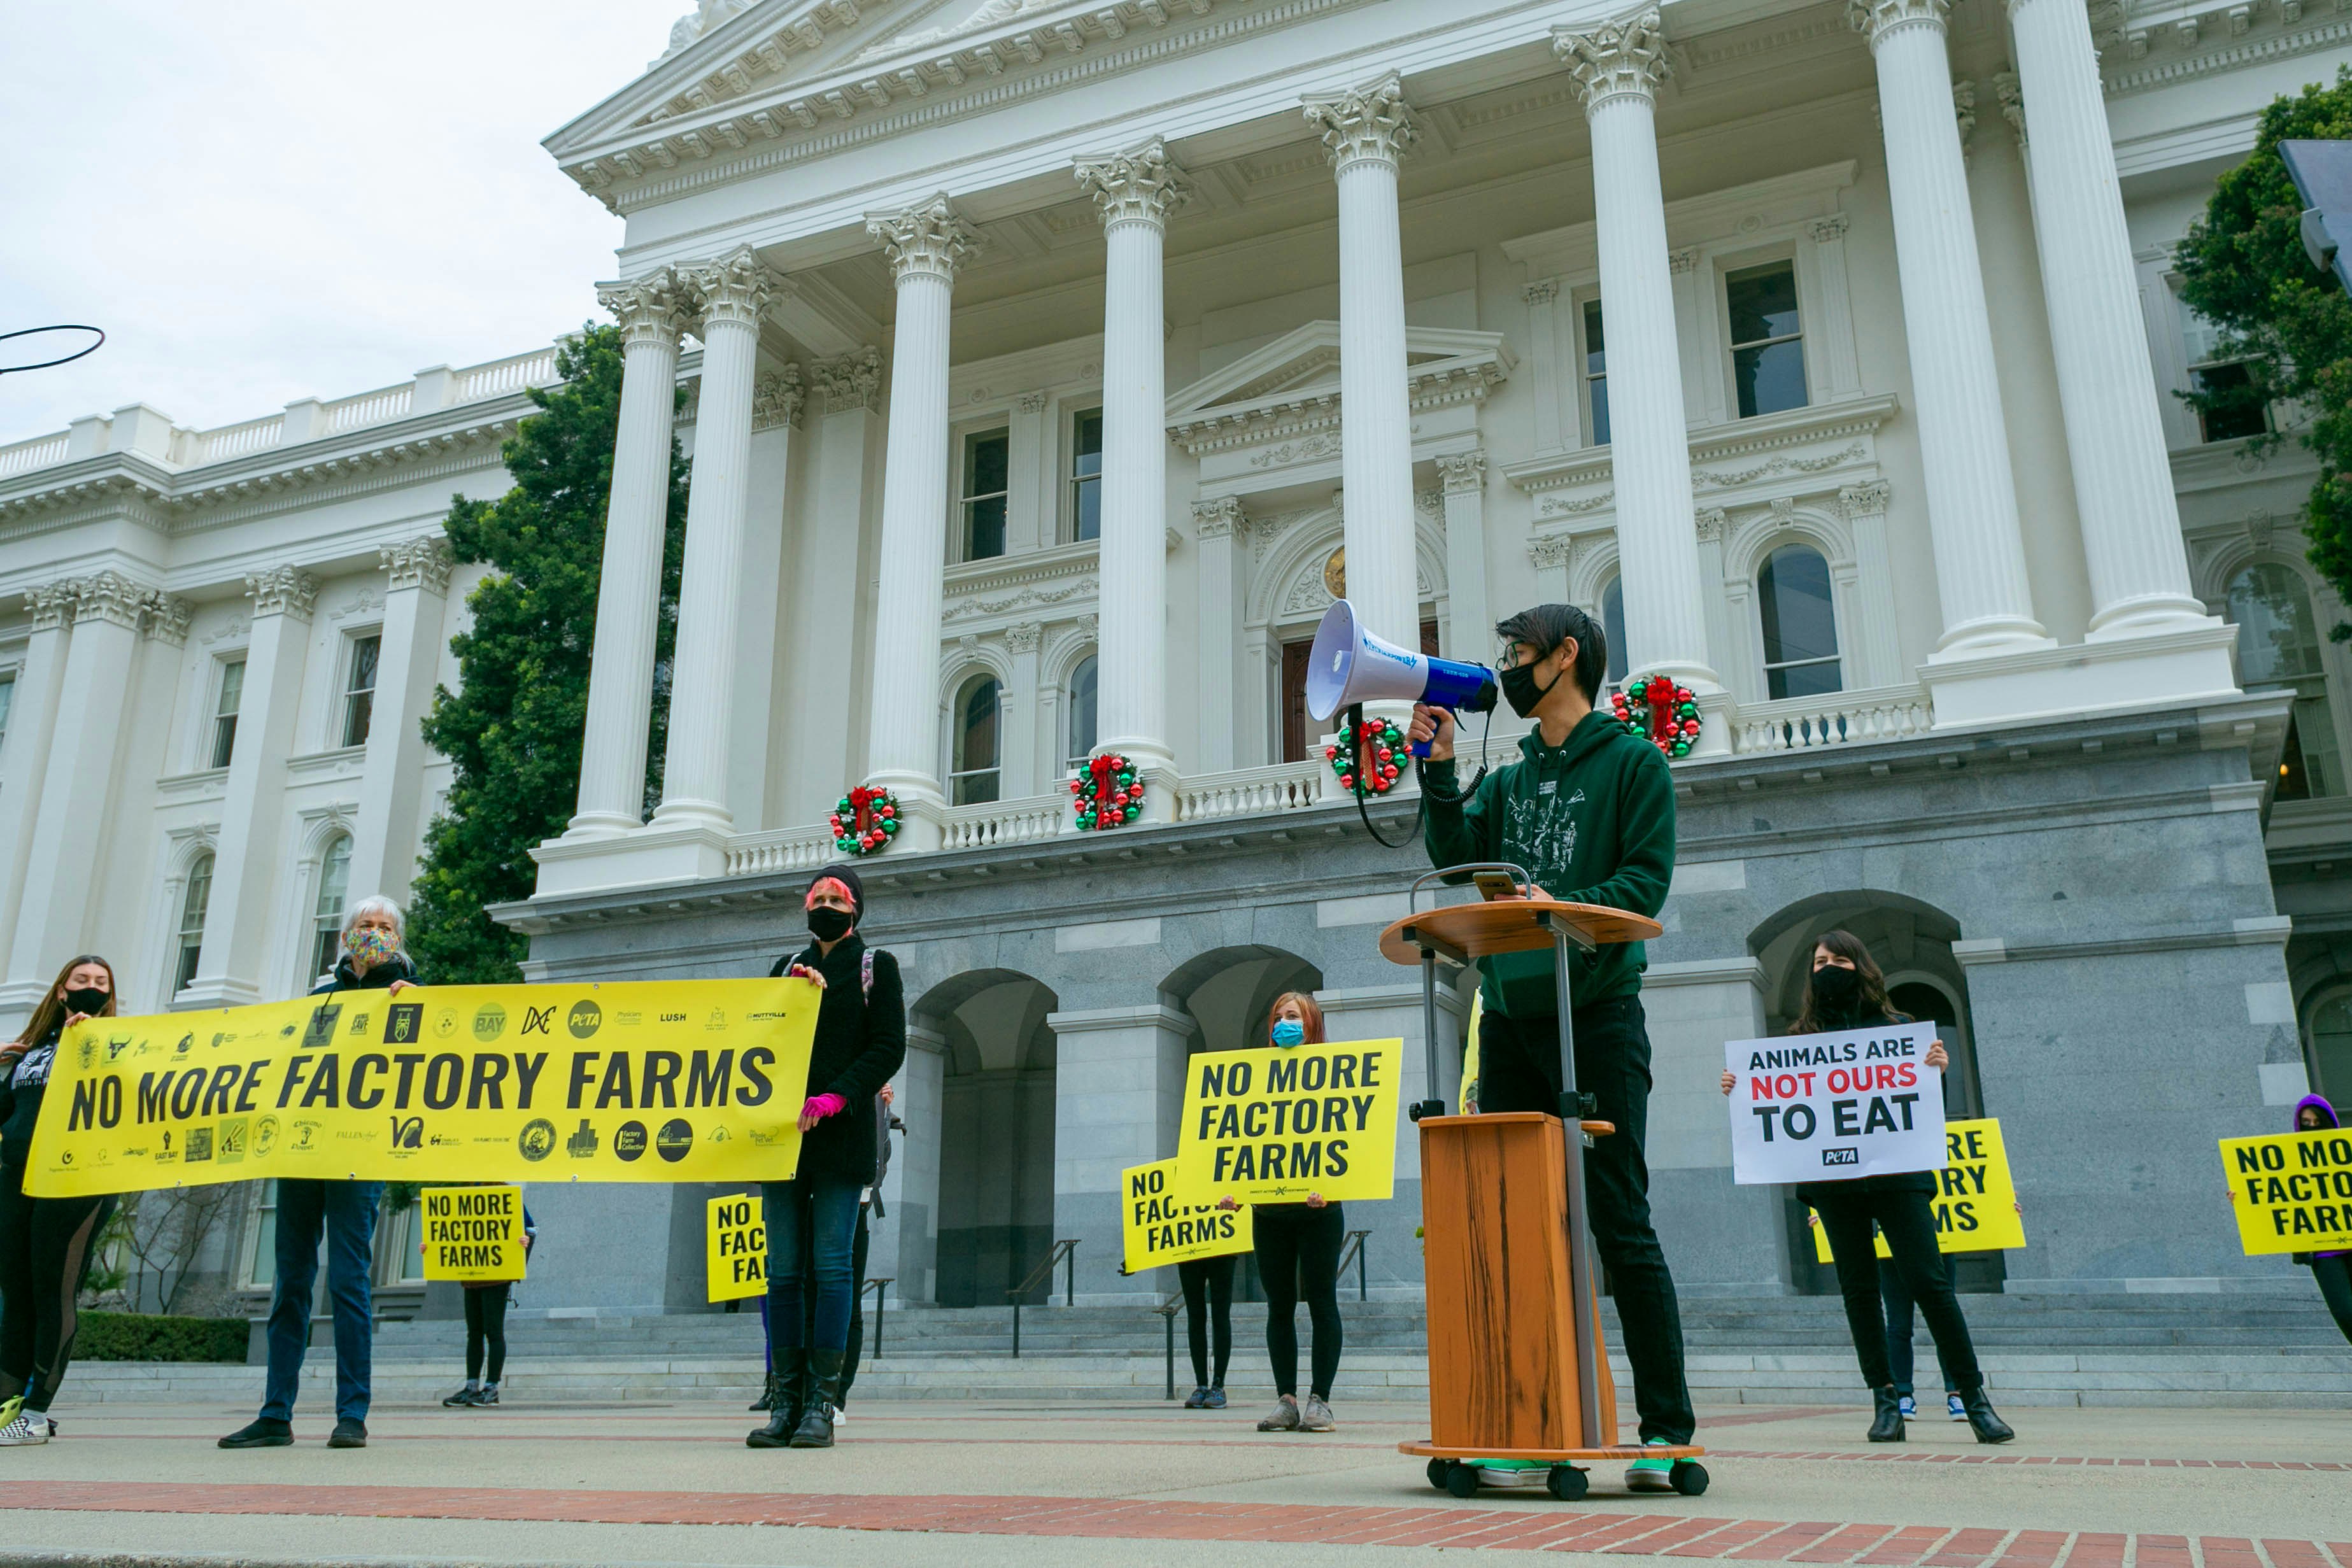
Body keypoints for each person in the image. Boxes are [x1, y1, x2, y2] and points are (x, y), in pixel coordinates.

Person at [1410, 602, 1695, 1491]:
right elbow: (1457, 855)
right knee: (1510, 1226)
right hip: (1512, 1023)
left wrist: (1546, 907)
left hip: (1599, 1019)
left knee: (1619, 1220)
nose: (1506, 667)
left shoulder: (1634, 763)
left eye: (1518, 653)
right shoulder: (1508, 776)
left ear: (1565, 656)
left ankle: (1665, 1431)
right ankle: (1522, 1419)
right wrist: (1439, 773)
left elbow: (1643, 882)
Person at [1719, 931, 2013, 1444]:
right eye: (1818, 961)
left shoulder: (1899, 1029)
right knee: (1858, 1291)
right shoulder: (1798, 1039)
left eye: (1837, 959)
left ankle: (1974, 1398)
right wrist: (1739, 1088)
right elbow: (1782, 1107)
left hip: (1898, 1177)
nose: (1827, 967)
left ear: (1861, 965)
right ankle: (1886, 1399)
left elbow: (1922, 1114)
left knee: (1930, 1284)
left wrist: (1936, 1073)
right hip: (1834, 1183)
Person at [221, 896, 418, 1451]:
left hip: (360, 1152)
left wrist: (417, 1009)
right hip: (303, 1150)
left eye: (384, 927)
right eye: (365, 925)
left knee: (349, 1280)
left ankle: (351, 1413)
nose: (374, 932)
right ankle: (275, 1413)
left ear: (397, 939)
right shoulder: (318, 998)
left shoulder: (411, 997)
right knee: (291, 1282)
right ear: (345, 936)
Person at [747, 866, 904, 1450]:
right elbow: (758, 1037)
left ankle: (822, 1401)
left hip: (840, 1139)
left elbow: (889, 1044)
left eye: (838, 897)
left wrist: (839, 1095)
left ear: (856, 908)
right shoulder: (786, 968)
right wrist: (793, 991)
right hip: (783, 1140)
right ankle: (783, 1401)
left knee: (833, 1267)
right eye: (819, 896)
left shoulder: (874, 967)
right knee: (783, 1271)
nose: (828, 903)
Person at [0, 956, 120, 1444]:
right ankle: (7, 1407)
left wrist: (92, 1041)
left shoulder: (120, 1046)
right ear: (62, 991)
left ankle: (36, 1410)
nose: (90, 987)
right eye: (81, 980)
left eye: (101, 983)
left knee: (54, 1290)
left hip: (77, 1179)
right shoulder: (31, 1051)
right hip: (16, 1177)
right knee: (17, 1293)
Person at [1230, 992, 1345, 1434]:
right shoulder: (1256, 1074)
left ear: (1312, 1024)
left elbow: (1349, 1136)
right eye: (1278, 1017)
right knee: (1278, 1305)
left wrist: (1331, 1189)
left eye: (1292, 1016)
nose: (1283, 1023)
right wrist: (1233, 1191)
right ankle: (1287, 1401)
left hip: (1320, 1210)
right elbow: (1239, 1136)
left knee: (1322, 1302)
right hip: (1270, 1212)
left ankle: (1321, 1401)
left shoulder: (1336, 1071)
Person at [443, 1197, 536, 1408]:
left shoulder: (506, 1195)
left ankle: (491, 1388)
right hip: (472, 1276)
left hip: (497, 1277)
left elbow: (530, 1229)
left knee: (493, 1331)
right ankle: (472, 1387)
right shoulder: (467, 1192)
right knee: (474, 1332)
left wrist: (523, 1248)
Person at [2289, 1095, 2352, 1346]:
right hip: (2324, 1252)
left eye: (2318, 1122)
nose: (2312, 1127)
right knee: (2346, 1313)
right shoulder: (2289, 1159)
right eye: (2306, 1122)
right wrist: (2240, 1197)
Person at [1177, 1250, 1235, 1409]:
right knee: (1195, 1317)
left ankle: (1218, 1385)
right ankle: (1202, 1385)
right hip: (1188, 1250)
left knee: (1221, 1316)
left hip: (1223, 1249)